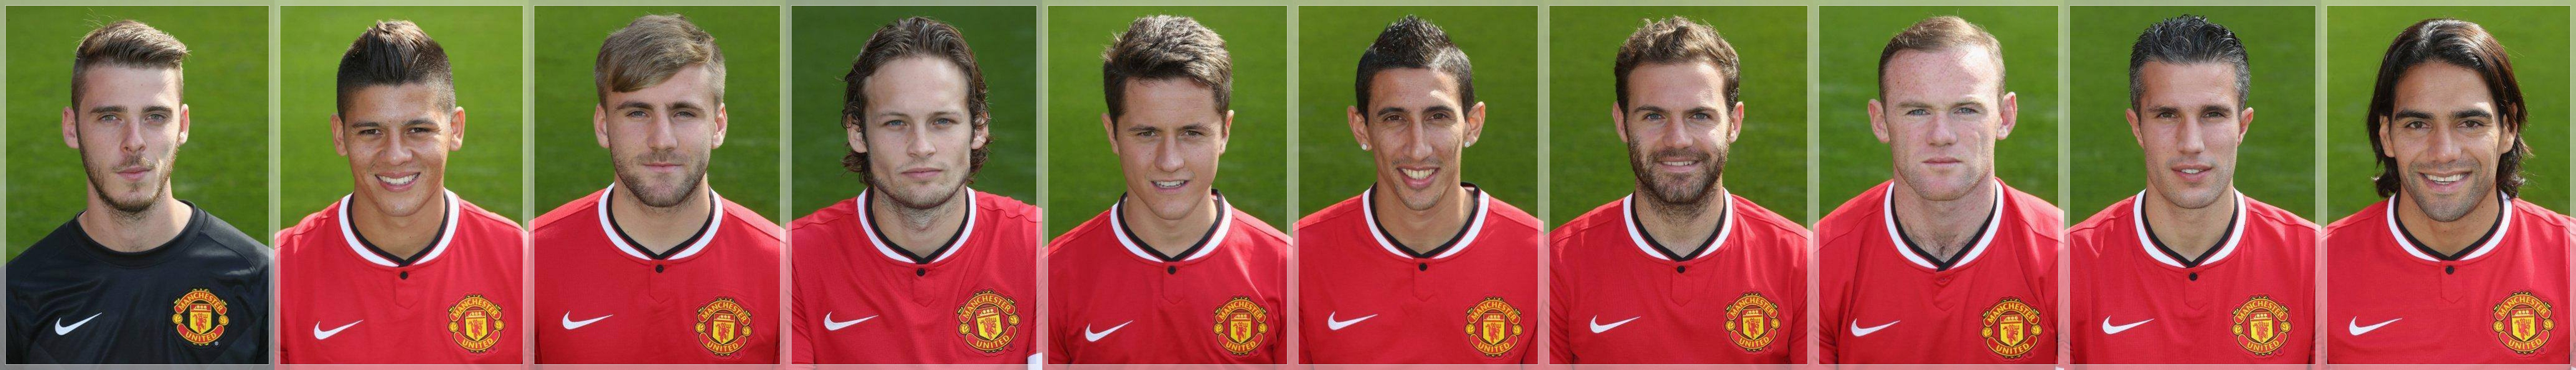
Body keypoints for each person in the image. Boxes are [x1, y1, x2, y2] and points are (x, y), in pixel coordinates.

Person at [5, 19, 270, 364]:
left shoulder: (261, 280)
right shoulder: (17, 296)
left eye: (155, 117)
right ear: (71, 128)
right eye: (110, 117)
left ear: (183, 126)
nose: (134, 142)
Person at [1548, 16, 1806, 364]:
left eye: (1700, 116)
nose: (1678, 140)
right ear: (1622, 123)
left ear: (1734, 123)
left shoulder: (1801, 263)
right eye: (1654, 116)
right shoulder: (1556, 265)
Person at [789, 16, 1042, 364]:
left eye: (942, 122)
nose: (921, 147)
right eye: (896, 123)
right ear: (858, 133)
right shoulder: (794, 260)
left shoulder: (1039, 249)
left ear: (979, 127)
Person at [531, 14, 783, 364]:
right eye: (638, 113)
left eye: (684, 113)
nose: (662, 140)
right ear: (603, 126)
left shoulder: (784, 269)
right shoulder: (528, 261)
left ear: (718, 125)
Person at [2067, 15, 2316, 364]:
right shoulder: (2070, 266)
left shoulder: (2315, 261)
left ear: (2243, 126)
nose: (2191, 143)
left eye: (2213, 114)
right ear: (2137, 128)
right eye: (2167, 115)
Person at [276, 20, 526, 364]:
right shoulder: (281, 271)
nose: (395, 155)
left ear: (455, 129)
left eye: (418, 129)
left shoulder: (522, 263)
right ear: (339, 135)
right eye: (371, 132)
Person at [1296, 15, 1542, 364]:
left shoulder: (1540, 259)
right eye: (1394, 118)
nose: (1418, 148)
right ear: (1361, 128)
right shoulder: (1299, 259)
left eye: (1437, 117)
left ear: (1472, 125)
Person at [2325, 18, 2572, 364]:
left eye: (2470, 123)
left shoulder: (2569, 259)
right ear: (2386, 135)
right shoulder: (2317, 267)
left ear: (2509, 129)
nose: (2444, 153)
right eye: (2417, 124)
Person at [1816, 16, 2061, 364]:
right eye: (1918, 111)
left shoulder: (2066, 259)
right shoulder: (1820, 261)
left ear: (2005, 117)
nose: (1941, 135)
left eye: (1966, 110)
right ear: (1880, 121)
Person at [1048, 15, 1291, 364]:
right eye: (1147, 133)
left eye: (1192, 133)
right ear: (1112, 134)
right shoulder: (1051, 277)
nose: (1170, 161)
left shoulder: (1290, 272)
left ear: (1225, 132)